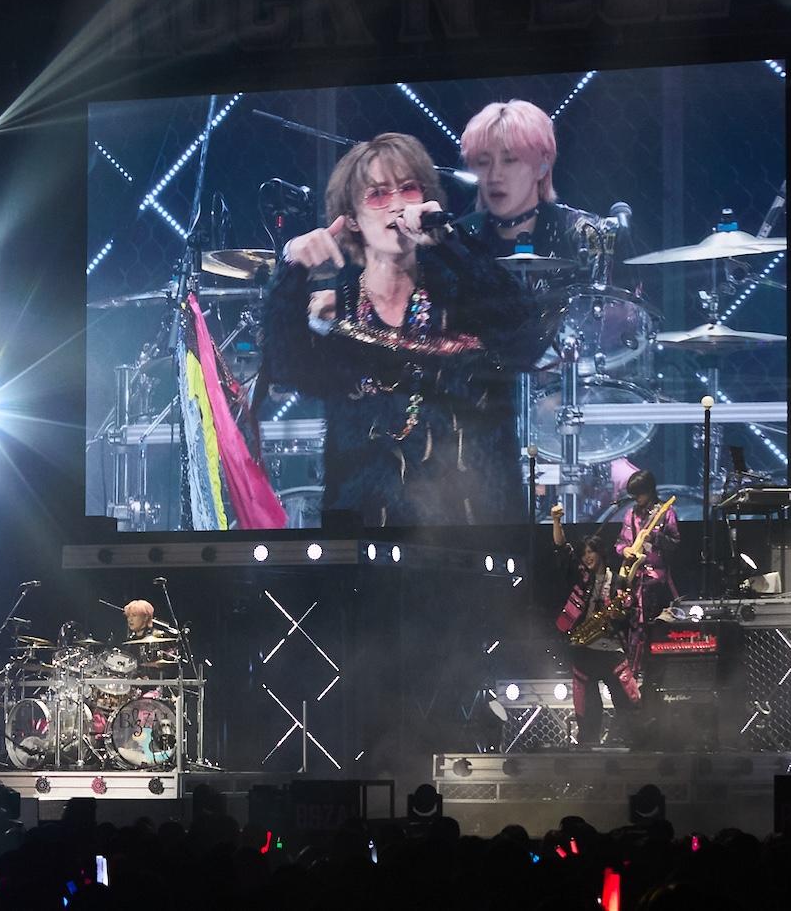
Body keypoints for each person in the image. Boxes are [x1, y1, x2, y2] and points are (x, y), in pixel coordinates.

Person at [263, 132, 547, 526]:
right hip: (364, 531)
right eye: (378, 194)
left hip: (471, 526)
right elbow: (286, 366)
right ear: (352, 219)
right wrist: (291, 268)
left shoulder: (461, 292)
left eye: (409, 189)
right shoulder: (338, 310)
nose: (397, 204)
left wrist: (448, 240)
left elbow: (525, 334)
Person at [460, 100, 600, 272]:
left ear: (542, 166)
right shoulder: (459, 239)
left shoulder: (586, 234)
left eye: (509, 160)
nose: (494, 176)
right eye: (483, 162)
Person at [552, 504, 639, 746]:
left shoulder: (618, 581)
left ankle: (627, 744)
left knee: (629, 703)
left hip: (612, 651)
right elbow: (563, 550)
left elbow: (630, 613)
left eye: (591, 552)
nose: (587, 557)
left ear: (600, 553)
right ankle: (588, 749)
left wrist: (620, 613)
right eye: (584, 553)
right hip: (584, 652)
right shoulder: (582, 577)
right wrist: (556, 522)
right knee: (587, 710)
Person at [616, 469, 680, 676]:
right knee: (632, 631)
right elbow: (620, 543)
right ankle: (632, 675)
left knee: (655, 631)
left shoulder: (666, 512)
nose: (637, 498)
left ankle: (654, 676)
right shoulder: (630, 514)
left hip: (656, 583)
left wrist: (655, 539)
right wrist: (625, 550)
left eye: (639, 493)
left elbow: (675, 544)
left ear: (649, 490)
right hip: (633, 582)